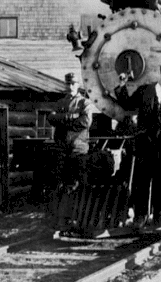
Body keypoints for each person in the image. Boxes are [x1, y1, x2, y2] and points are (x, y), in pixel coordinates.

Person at [114, 62, 161, 229]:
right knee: (142, 182)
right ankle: (140, 217)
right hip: (145, 144)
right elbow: (128, 104)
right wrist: (122, 86)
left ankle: (159, 217)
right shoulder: (145, 91)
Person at [47, 72, 93, 227]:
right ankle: (63, 218)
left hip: (78, 149)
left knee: (78, 183)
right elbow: (51, 118)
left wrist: (63, 120)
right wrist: (71, 117)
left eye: (73, 84)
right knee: (62, 183)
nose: (70, 86)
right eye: (68, 84)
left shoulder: (84, 103)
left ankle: (79, 217)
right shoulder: (60, 102)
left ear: (78, 85)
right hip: (62, 148)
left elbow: (85, 122)